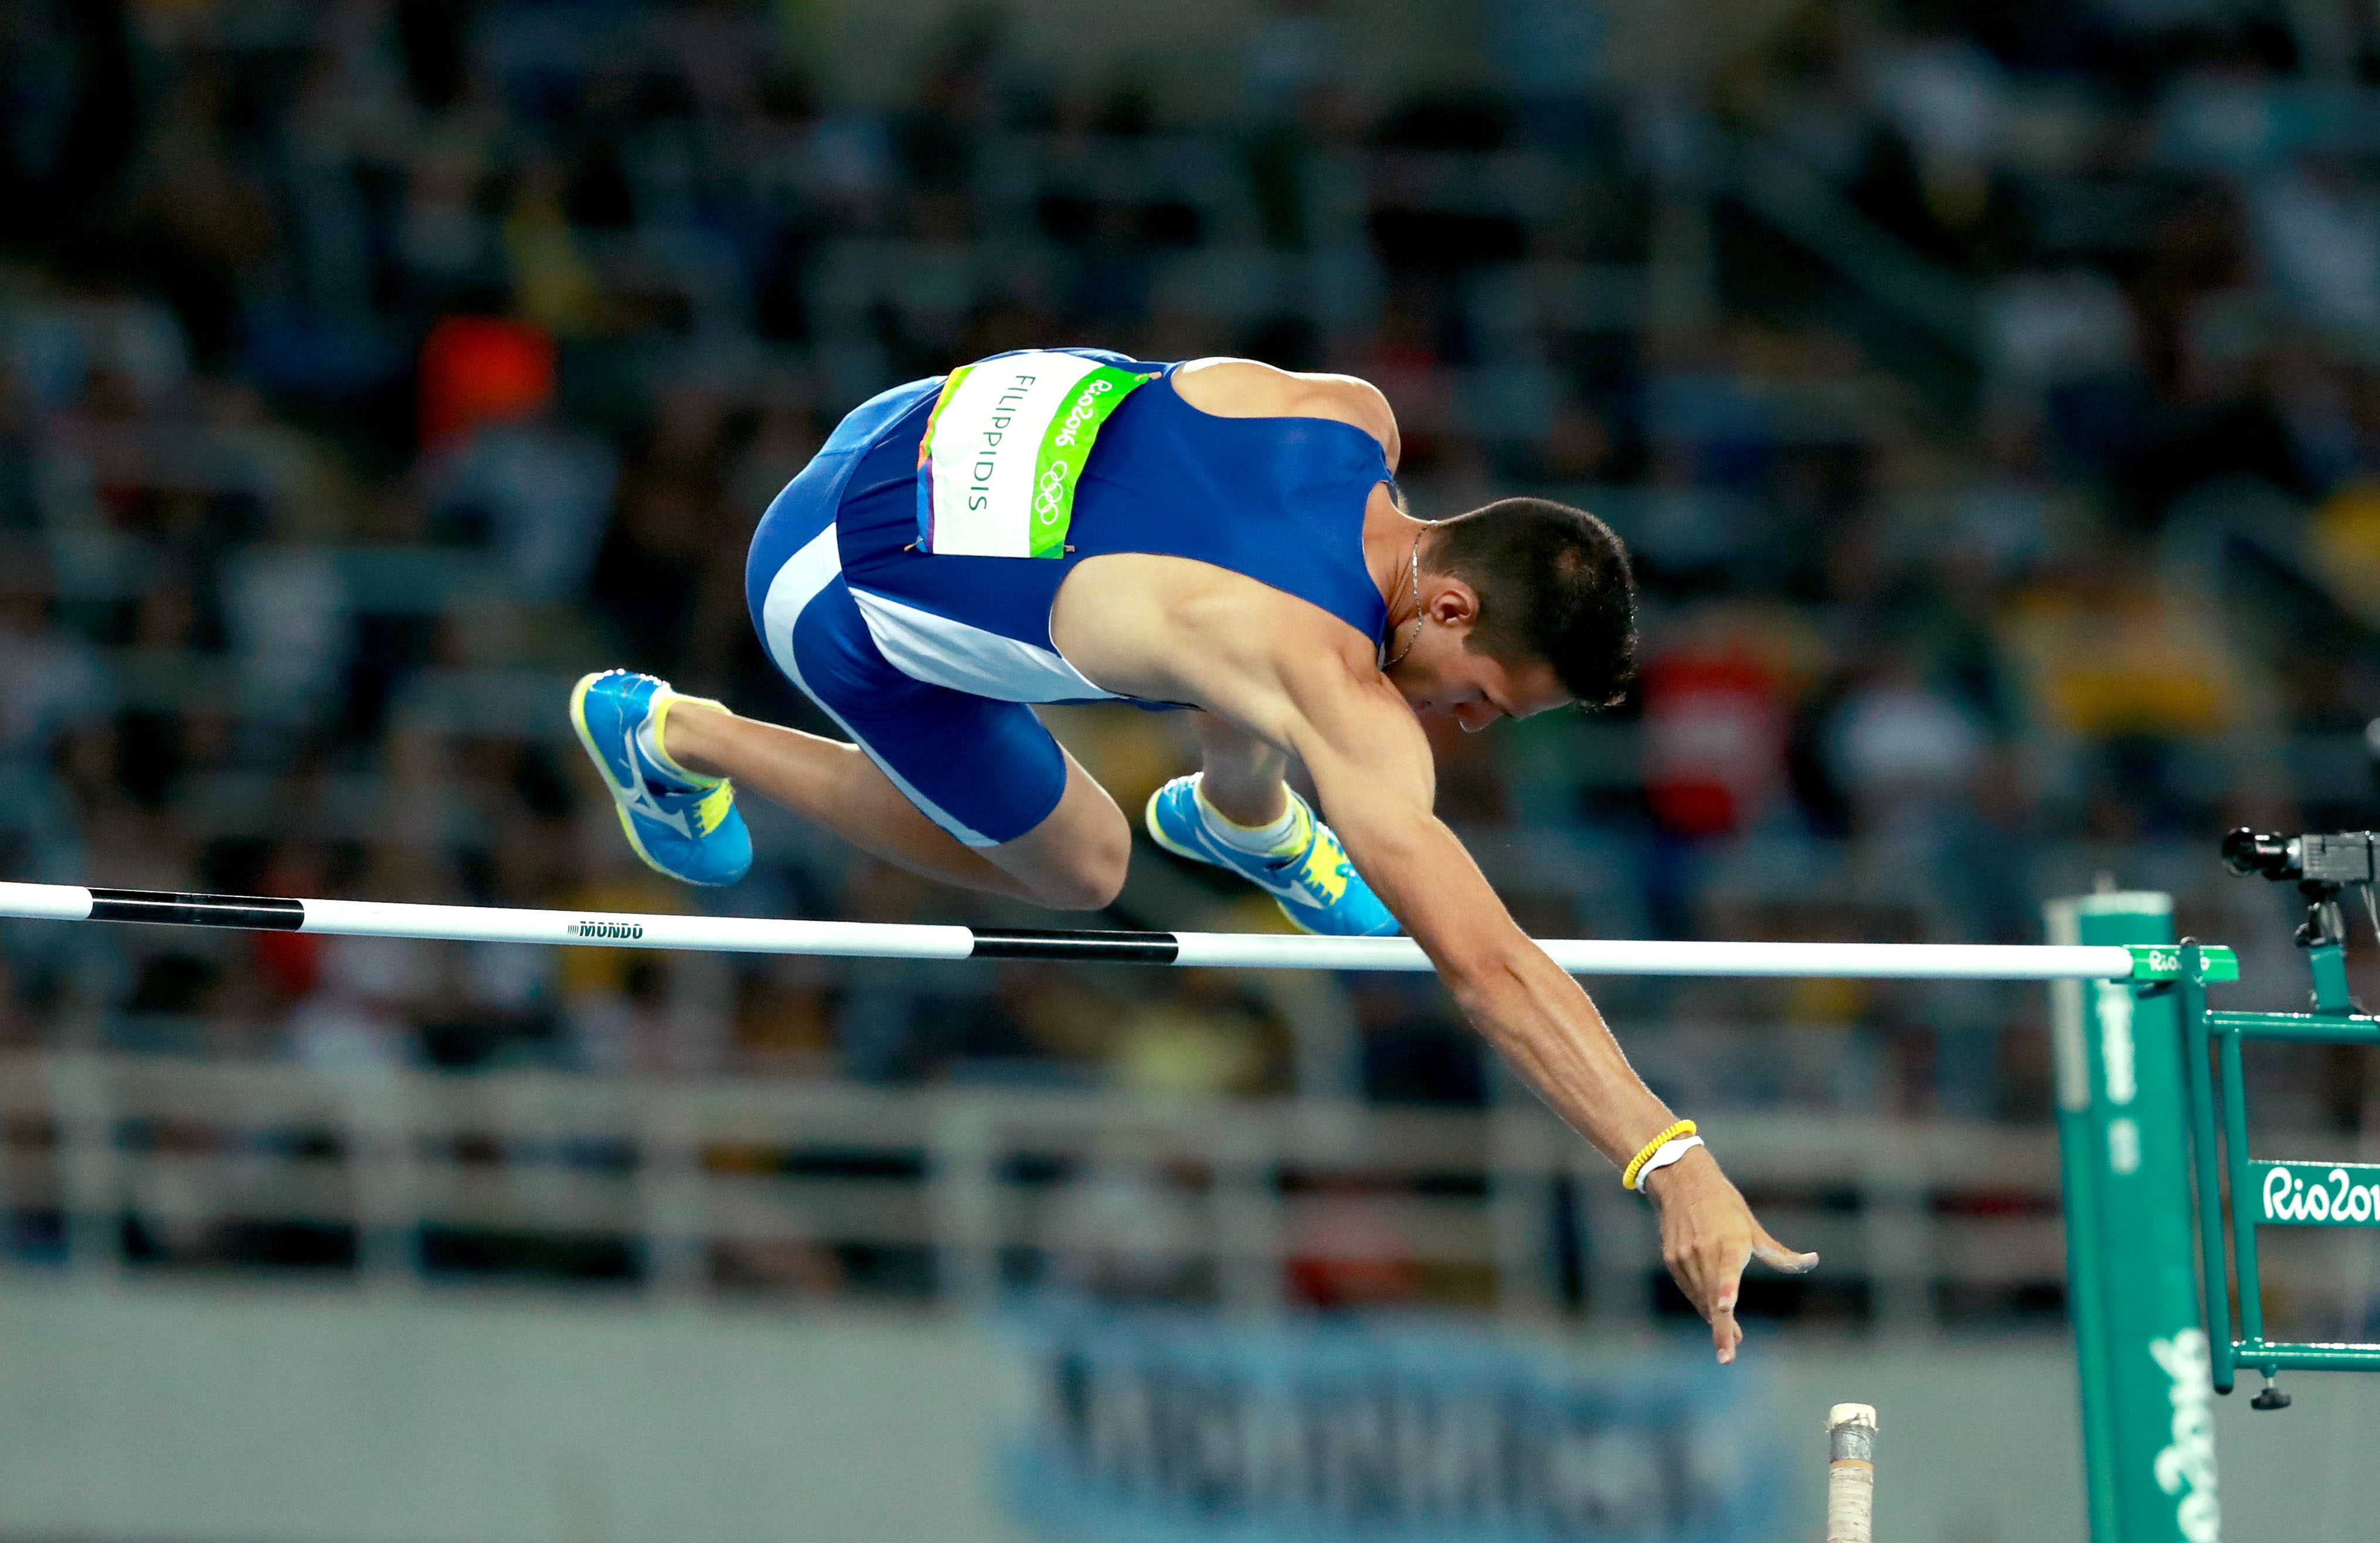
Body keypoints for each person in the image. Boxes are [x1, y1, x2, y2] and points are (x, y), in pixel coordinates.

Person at [568, 349, 1815, 1361]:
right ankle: (683, 735)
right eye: (1484, 693)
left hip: (905, 423)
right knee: (1084, 864)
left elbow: (1214, 533)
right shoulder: (1335, 692)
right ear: (1451, 605)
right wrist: (1670, 1159)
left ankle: (1242, 816)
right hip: (830, 575)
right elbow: (1485, 966)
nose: (1471, 723)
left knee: (1234, 645)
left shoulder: (1349, 417)